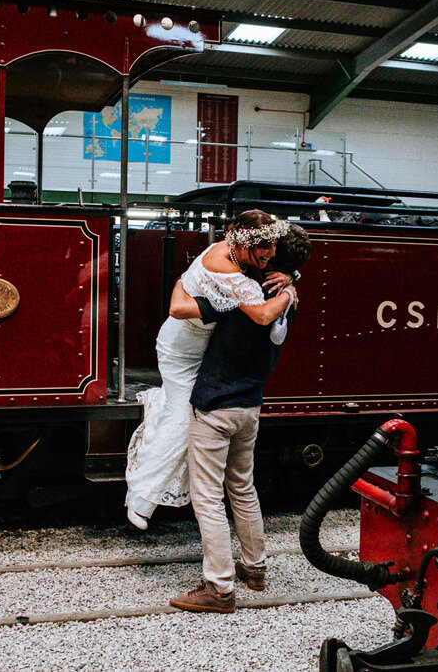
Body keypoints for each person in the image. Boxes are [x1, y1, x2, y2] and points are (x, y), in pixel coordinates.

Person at [167, 225, 312, 613]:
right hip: (250, 406)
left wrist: (187, 276)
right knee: (243, 489)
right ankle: (255, 568)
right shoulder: (288, 298)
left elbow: (179, 308)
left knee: (208, 497)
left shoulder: (238, 295)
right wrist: (293, 281)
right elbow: (281, 290)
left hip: (216, 406)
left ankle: (219, 587)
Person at [124, 211, 295, 530]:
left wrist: (290, 275)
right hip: (180, 350)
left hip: (200, 347)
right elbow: (261, 316)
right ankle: (140, 498)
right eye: (266, 247)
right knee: (182, 418)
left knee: (183, 412)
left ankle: (147, 489)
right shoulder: (228, 270)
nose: (272, 253)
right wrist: (289, 292)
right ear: (246, 245)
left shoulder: (234, 254)